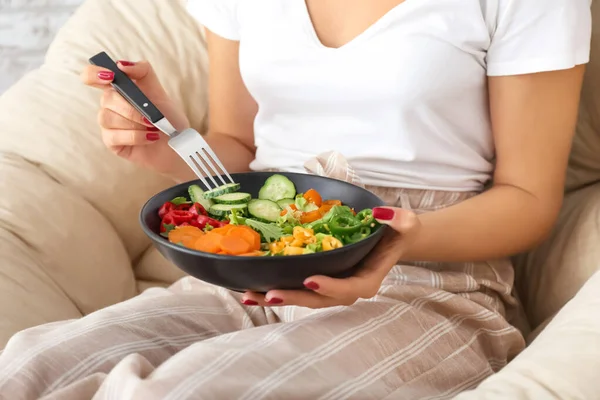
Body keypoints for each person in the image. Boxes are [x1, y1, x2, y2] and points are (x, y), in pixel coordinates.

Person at [0, 0, 592, 399]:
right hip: (250, 267)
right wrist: (165, 143)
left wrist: (393, 237)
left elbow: (528, 198)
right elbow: (237, 149)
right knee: (32, 364)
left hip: (427, 285)